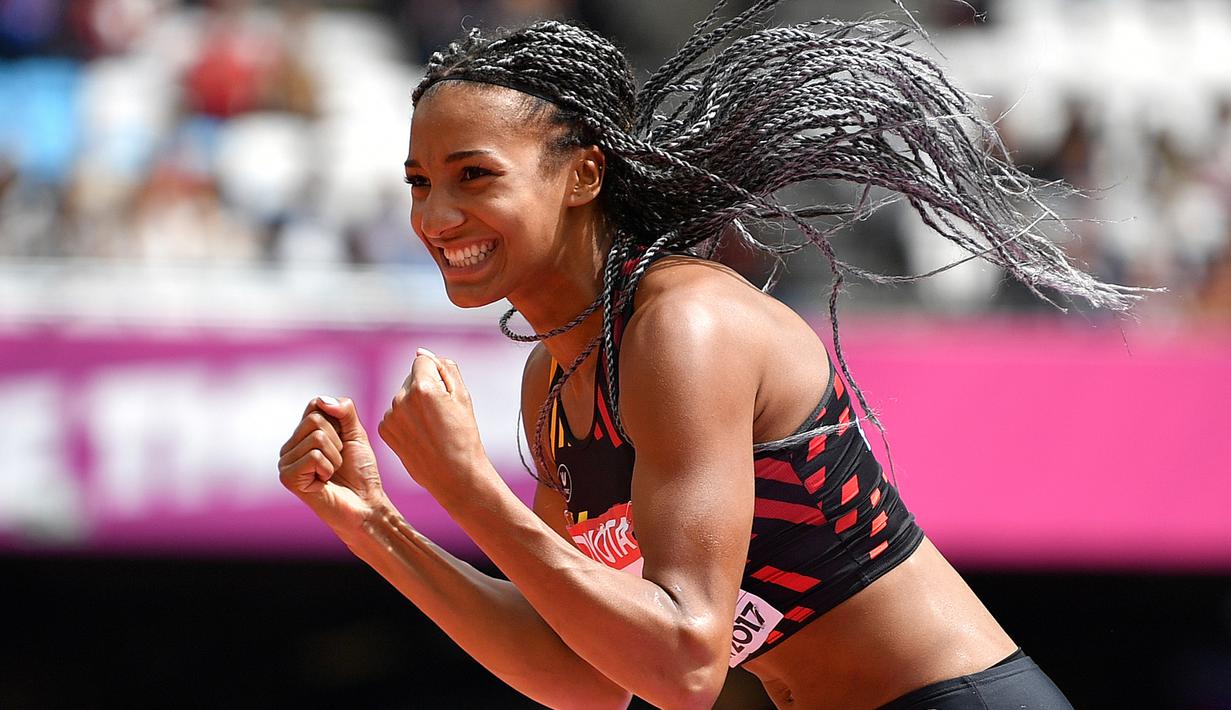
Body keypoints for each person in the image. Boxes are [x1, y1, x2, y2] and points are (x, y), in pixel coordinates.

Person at [278, 4, 1141, 707]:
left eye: (474, 175)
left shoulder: (683, 327)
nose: (434, 217)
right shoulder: (558, 374)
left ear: (582, 176)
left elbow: (687, 666)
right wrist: (374, 523)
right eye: (419, 183)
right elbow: (578, 671)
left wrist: (466, 487)